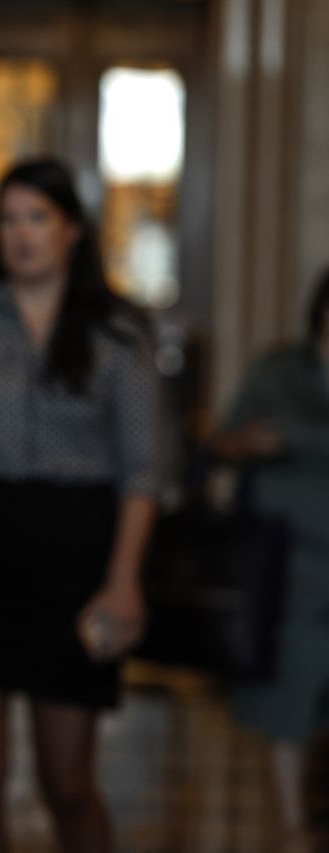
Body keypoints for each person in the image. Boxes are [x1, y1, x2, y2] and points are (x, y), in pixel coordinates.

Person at [0, 157, 159, 853]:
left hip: (76, 551)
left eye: (37, 218)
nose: (20, 234)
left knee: (67, 780)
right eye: (8, 219)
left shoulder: (119, 333)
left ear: (73, 230)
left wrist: (124, 580)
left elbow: (144, 472)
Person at [212, 270, 329, 853]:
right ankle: (290, 827)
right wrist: (252, 444)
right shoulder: (277, 371)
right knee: (289, 687)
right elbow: (223, 439)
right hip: (291, 558)